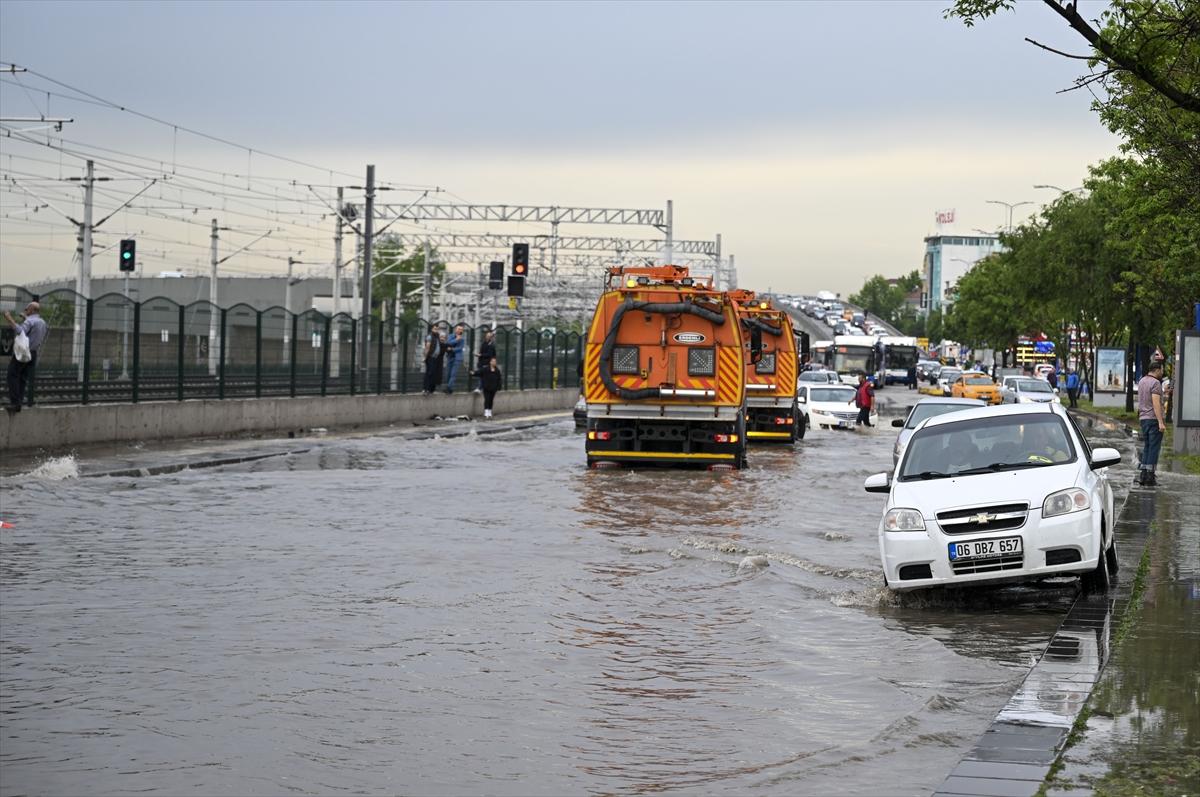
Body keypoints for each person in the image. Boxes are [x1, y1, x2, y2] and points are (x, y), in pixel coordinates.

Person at [5, 301, 48, 413]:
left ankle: (15, 403)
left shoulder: (30, 321)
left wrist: (9, 318)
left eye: (27, 309)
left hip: (24, 352)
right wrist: (25, 318)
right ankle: (19, 403)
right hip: (33, 353)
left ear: (32, 310)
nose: (25, 310)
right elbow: (32, 333)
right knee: (22, 378)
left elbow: (21, 332)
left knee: (12, 374)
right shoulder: (42, 322)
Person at [1136, 361, 1166, 486]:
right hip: (1153, 419)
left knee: (1147, 447)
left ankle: (1143, 474)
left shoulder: (1142, 381)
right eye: (1162, 370)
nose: (1162, 372)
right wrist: (1160, 422)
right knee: (1154, 448)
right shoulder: (1155, 383)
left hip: (1143, 419)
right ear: (1157, 370)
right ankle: (1150, 477)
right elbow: (1156, 403)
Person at [421, 324, 444, 394]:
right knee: (429, 373)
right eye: (435, 329)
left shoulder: (437, 337)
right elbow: (427, 347)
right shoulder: (430, 336)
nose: (436, 330)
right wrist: (425, 357)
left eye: (437, 329)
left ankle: (430, 389)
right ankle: (425, 389)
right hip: (430, 357)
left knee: (433, 373)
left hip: (436, 358)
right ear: (432, 329)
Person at [444, 324, 466, 394]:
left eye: (461, 329)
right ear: (456, 329)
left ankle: (449, 388)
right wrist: (456, 340)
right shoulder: (451, 336)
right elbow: (448, 343)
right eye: (458, 329)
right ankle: (449, 388)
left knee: (453, 374)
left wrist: (452, 349)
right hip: (450, 357)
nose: (460, 330)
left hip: (457, 358)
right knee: (448, 373)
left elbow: (460, 348)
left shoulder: (462, 339)